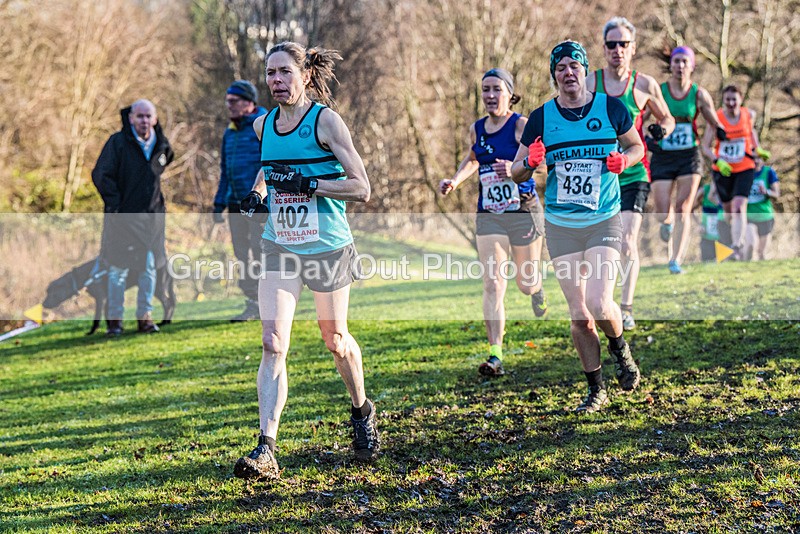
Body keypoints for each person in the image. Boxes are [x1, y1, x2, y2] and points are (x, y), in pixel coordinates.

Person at [232, 41, 378, 480]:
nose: (276, 80)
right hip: (281, 244)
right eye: (270, 73)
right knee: (273, 341)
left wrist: (310, 184)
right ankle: (266, 448)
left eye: (285, 72)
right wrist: (257, 193)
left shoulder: (325, 122)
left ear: (305, 75)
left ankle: (361, 410)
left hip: (327, 246)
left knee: (336, 341)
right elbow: (270, 166)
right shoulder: (263, 125)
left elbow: (361, 187)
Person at [512, 40, 644, 413]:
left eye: (574, 66)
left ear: (585, 70)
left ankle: (620, 349)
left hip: (603, 218)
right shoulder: (541, 118)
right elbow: (516, 170)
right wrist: (531, 162)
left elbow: (636, 147)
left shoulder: (611, 107)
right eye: (561, 67)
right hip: (561, 225)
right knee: (580, 315)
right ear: (554, 75)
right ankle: (596, 389)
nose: (568, 72)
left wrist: (624, 161)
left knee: (600, 302)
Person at [439, 68, 547, 377]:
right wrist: (455, 180)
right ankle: (495, 354)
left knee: (525, 284)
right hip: (489, 214)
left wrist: (514, 167)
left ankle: (537, 289)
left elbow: (542, 163)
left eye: (496, 89)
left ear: (510, 93)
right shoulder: (477, 129)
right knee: (493, 283)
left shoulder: (521, 125)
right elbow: (473, 159)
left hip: (522, 210)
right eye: (485, 89)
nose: (490, 95)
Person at [587, 17, 675, 330]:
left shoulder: (645, 84)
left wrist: (661, 130)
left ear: (633, 48)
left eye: (623, 44)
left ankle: (625, 307)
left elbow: (667, 118)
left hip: (633, 173)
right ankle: (602, 302)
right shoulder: (590, 83)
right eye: (611, 44)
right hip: (597, 176)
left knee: (626, 240)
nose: (617, 50)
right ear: (604, 48)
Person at [91, 99, 174, 336]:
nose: (144, 121)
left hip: (151, 219)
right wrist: (116, 205)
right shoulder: (117, 143)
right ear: (131, 118)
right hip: (122, 218)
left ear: (155, 119)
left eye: (148, 116)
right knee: (118, 270)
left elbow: (166, 159)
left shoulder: (161, 145)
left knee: (149, 268)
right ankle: (115, 321)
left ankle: (144, 318)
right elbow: (100, 175)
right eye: (140, 116)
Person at [648, 46, 727, 274]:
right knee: (662, 210)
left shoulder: (699, 94)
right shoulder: (659, 91)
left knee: (683, 207)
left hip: (688, 156)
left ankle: (675, 260)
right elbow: (641, 117)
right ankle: (667, 223)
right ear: (671, 65)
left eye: (685, 62)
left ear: (692, 66)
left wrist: (720, 130)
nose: (680, 66)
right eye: (676, 61)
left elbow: (713, 119)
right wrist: (647, 137)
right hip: (663, 155)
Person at [212, 80, 268, 321]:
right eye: (227, 101)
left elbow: (270, 165)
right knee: (241, 254)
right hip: (234, 204)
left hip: (257, 204)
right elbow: (225, 170)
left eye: (233, 101)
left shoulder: (264, 125)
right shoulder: (230, 132)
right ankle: (252, 301)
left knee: (260, 250)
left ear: (249, 102)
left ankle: (266, 301)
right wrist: (219, 203)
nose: (229, 106)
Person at [701, 85, 771, 261]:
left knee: (739, 207)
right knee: (728, 212)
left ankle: (737, 244)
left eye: (734, 99)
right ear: (723, 100)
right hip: (723, 170)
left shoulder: (749, 115)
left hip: (745, 167)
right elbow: (705, 146)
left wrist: (757, 148)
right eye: (728, 99)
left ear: (740, 99)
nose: (731, 103)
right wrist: (717, 160)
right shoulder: (716, 118)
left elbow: (751, 132)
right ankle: (734, 237)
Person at [744, 159, 780, 260]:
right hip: (748, 216)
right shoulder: (744, 173)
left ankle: (760, 267)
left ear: (763, 159)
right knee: (751, 244)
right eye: (753, 158)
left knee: (761, 252)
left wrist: (766, 191)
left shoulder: (769, 172)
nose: (755, 161)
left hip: (765, 216)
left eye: (758, 158)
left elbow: (777, 194)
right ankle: (745, 265)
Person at [692, 180, 724, 262]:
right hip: (707, 237)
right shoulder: (704, 191)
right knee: (707, 263)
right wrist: (699, 224)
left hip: (724, 238)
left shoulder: (729, 191)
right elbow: (690, 209)